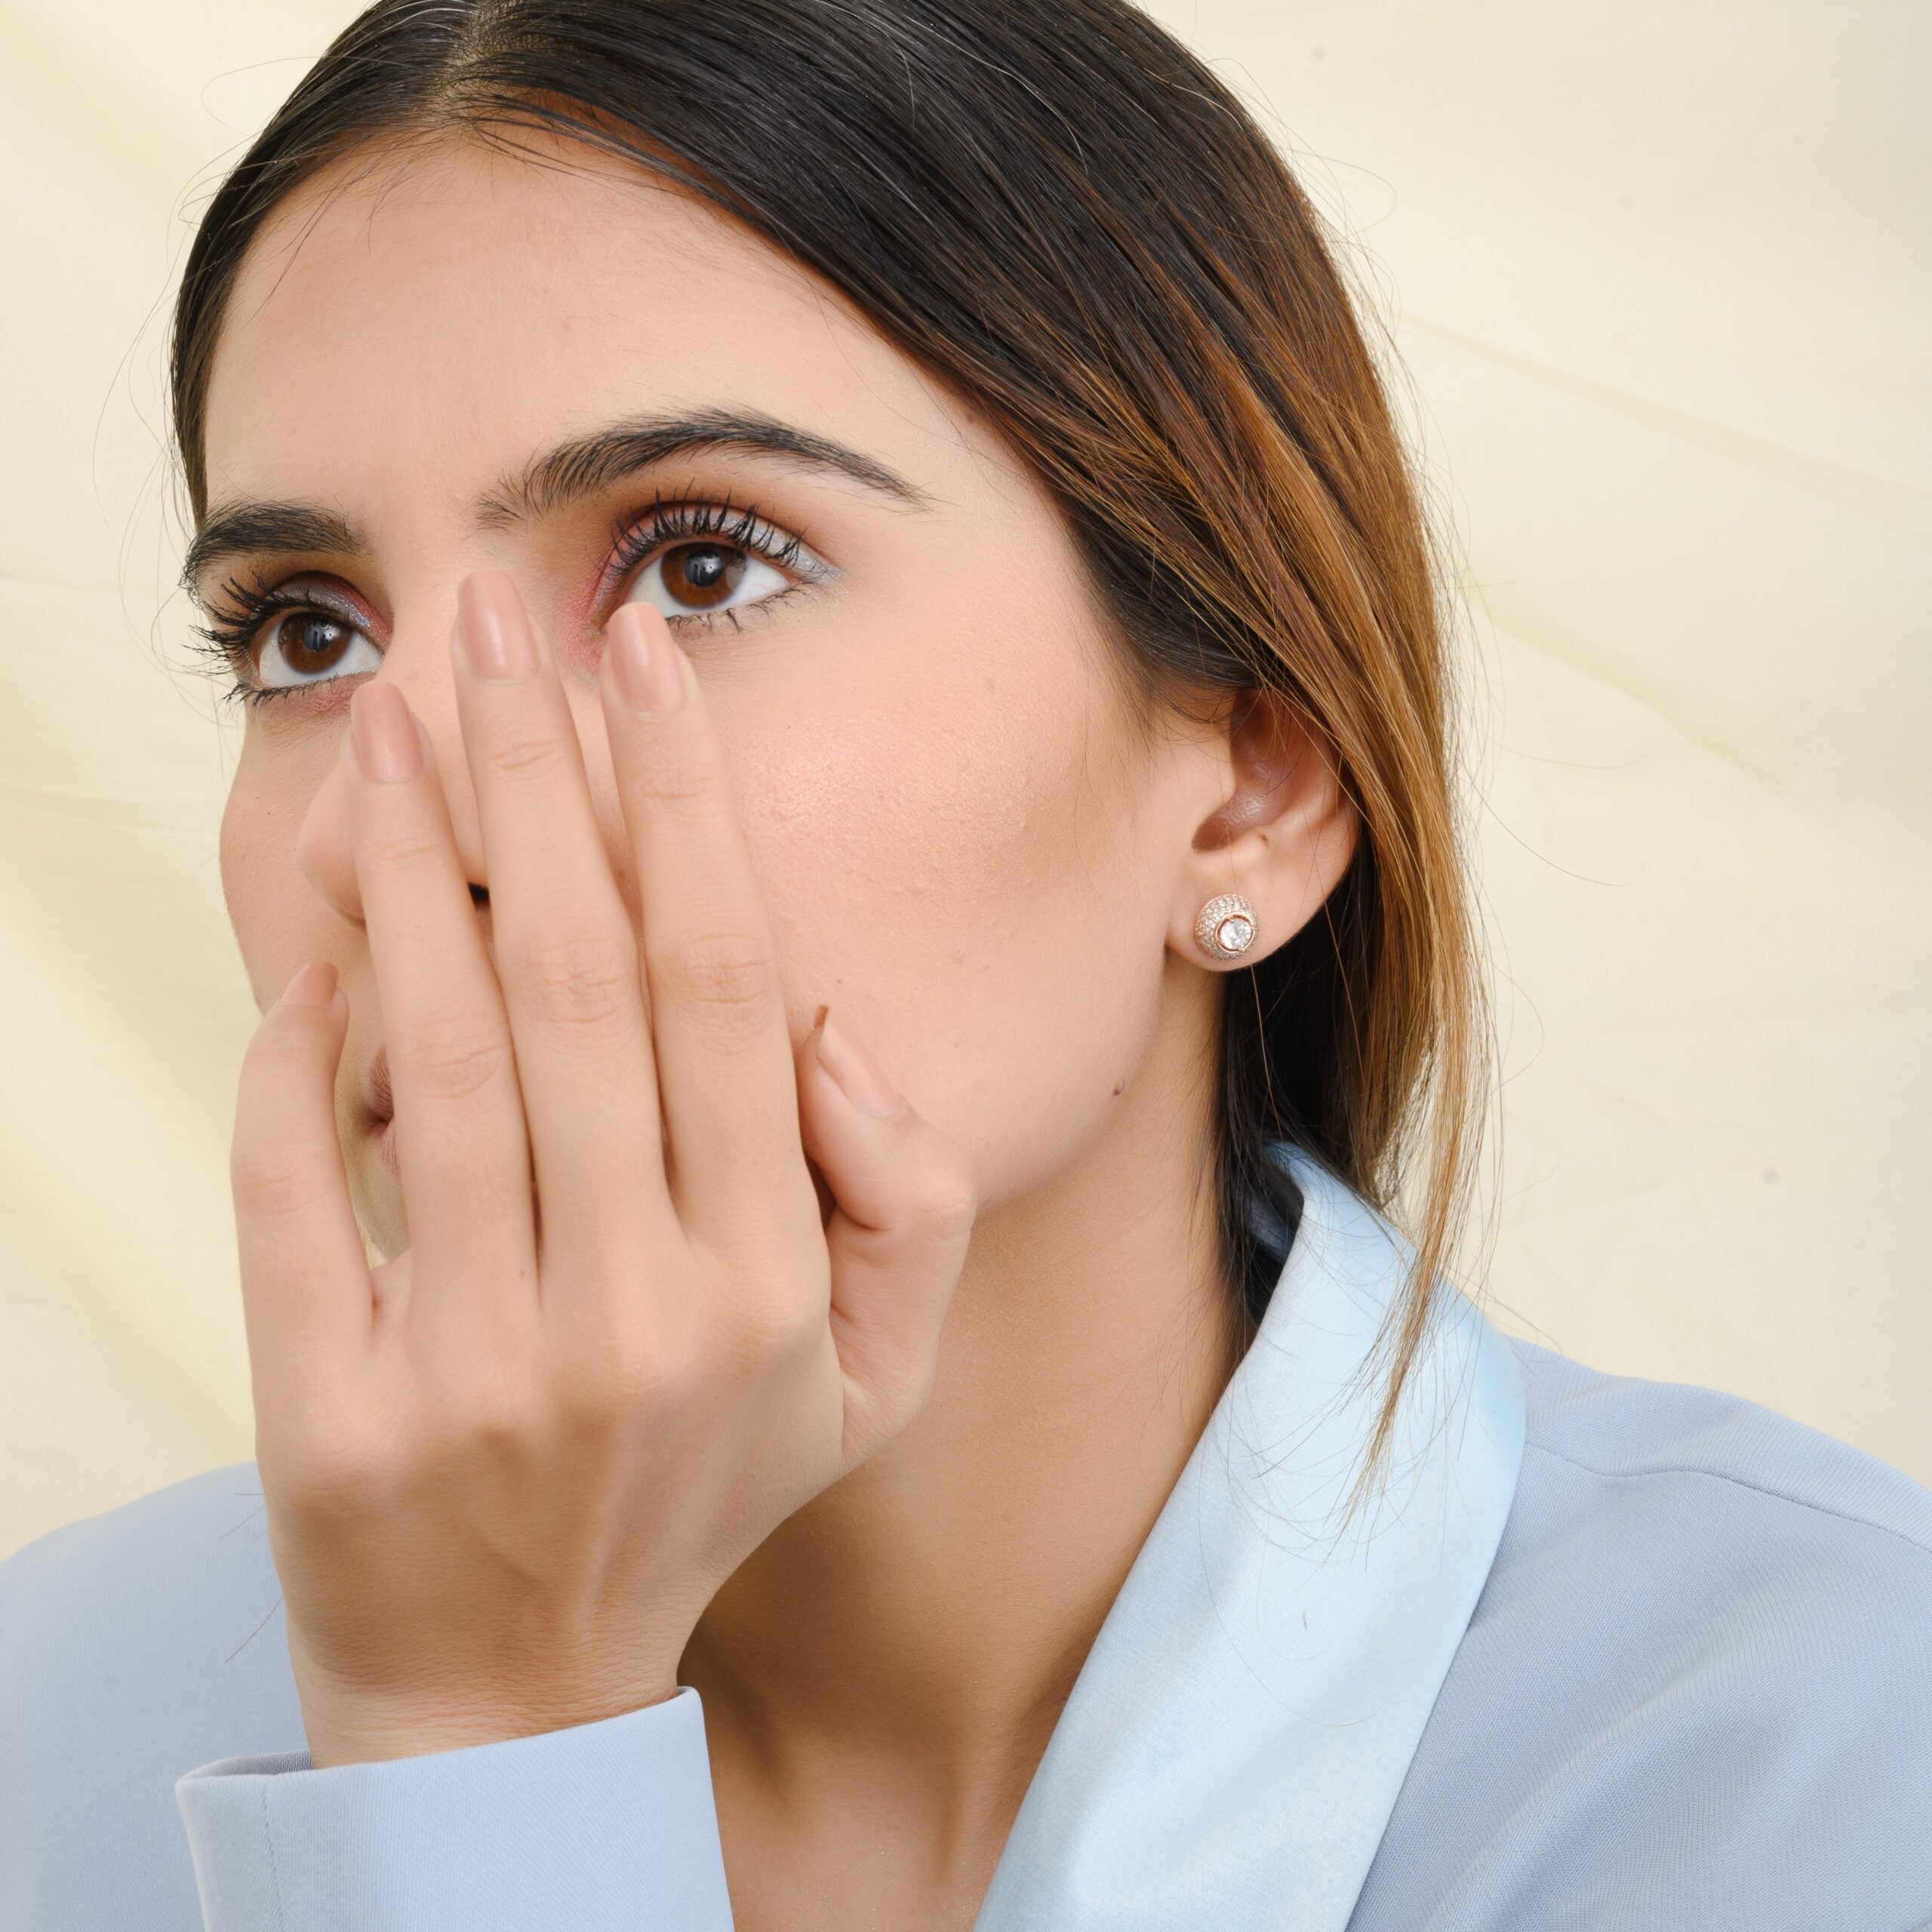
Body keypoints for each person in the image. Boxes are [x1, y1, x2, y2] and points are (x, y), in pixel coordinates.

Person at [2, 2, 1927, 1926]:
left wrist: (478, 1758)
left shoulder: (1827, 1758)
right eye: (306, 635)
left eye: (700, 562)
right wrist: (468, 1725)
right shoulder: (45, 1733)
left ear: (1249, 780)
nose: (407, 831)